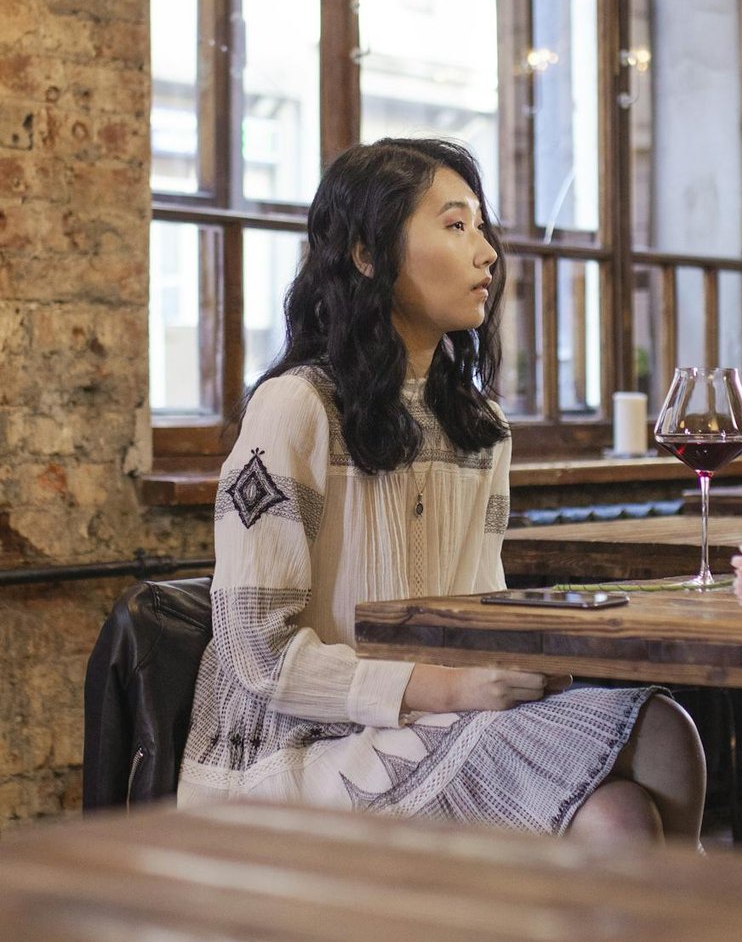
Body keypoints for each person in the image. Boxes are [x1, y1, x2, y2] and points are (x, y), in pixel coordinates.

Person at [178, 137, 706, 845]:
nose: (486, 251)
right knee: (624, 799)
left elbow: (476, 608)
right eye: (455, 225)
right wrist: (450, 686)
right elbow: (256, 655)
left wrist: (521, 658)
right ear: (368, 253)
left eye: (481, 227)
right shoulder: (295, 408)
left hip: (435, 719)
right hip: (293, 750)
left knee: (667, 735)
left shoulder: (480, 426)